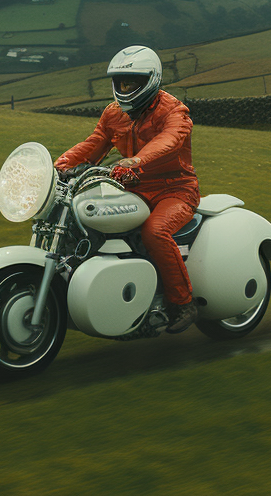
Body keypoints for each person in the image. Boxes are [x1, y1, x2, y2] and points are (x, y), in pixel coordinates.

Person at [54, 46, 201, 332]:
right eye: (121, 82)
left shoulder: (174, 111)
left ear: (151, 79)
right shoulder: (113, 114)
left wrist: (136, 160)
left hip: (175, 191)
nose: (125, 88)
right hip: (131, 189)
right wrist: (59, 164)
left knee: (154, 231)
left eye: (132, 82)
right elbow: (93, 144)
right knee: (86, 219)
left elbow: (169, 141)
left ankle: (183, 303)